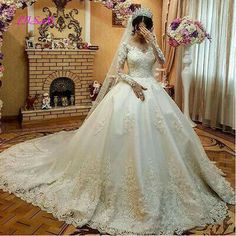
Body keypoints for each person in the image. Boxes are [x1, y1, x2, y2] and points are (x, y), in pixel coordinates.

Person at [0, 8, 235, 235]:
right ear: (135, 25)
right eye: (141, 24)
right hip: (130, 88)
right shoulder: (126, 43)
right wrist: (132, 83)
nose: (143, 27)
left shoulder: (152, 42)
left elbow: (162, 60)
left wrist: (153, 40)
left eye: (147, 24)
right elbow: (117, 71)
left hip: (152, 91)